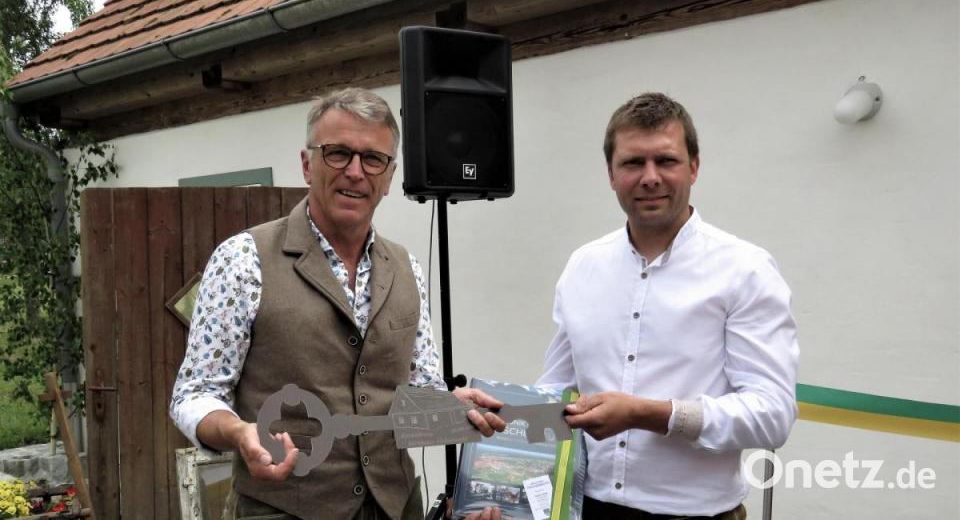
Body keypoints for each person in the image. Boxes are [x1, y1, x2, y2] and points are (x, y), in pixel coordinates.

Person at [170, 88, 505, 520]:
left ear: (389, 177)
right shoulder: (243, 258)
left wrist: (450, 406)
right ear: (307, 164)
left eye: (373, 159)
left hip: (396, 507)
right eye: (338, 153)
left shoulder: (407, 268)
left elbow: (416, 392)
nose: (355, 172)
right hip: (283, 510)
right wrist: (239, 432)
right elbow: (195, 394)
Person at [537, 92, 799, 519]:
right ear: (611, 174)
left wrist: (649, 414)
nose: (650, 177)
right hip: (589, 509)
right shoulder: (583, 266)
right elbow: (555, 395)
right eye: (633, 163)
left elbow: (773, 416)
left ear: (694, 167)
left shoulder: (745, 269)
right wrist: (497, 463)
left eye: (666, 161)